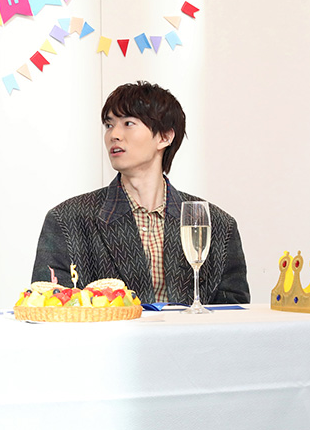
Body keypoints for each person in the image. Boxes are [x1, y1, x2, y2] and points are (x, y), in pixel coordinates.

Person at [32, 81, 249, 304]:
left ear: (164, 137)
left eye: (128, 123)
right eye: (109, 125)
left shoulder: (217, 224)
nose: (114, 135)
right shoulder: (67, 220)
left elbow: (234, 314)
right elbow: (48, 305)